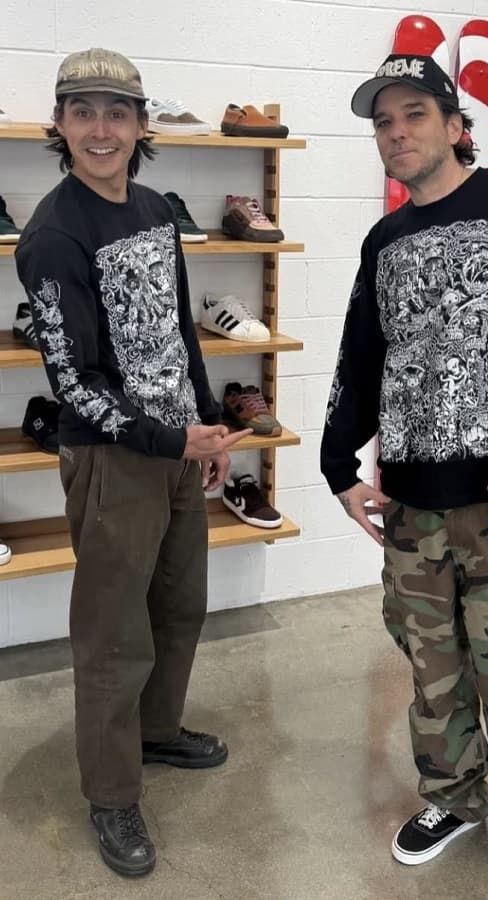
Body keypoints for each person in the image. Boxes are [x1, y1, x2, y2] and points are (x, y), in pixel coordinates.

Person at [320, 54, 488, 900]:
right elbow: (361, 355)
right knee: (432, 674)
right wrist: (337, 464)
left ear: (455, 124)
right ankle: (454, 799)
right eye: (383, 122)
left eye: (414, 115)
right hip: (412, 507)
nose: (397, 133)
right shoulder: (385, 239)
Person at [15, 48, 251, 878]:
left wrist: (205, 420)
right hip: (114, 460)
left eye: (117, 112)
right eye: (83, 112)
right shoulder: (52, 235)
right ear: (60, 125)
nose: (101, 129)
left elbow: (178, 328)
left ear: (142, 124)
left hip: (178, 444)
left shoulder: (152, 209)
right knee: (113, 636)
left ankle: (155, 732)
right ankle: (111, 794)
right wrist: (168, 440)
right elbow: (74, 383)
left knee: (179, 605)